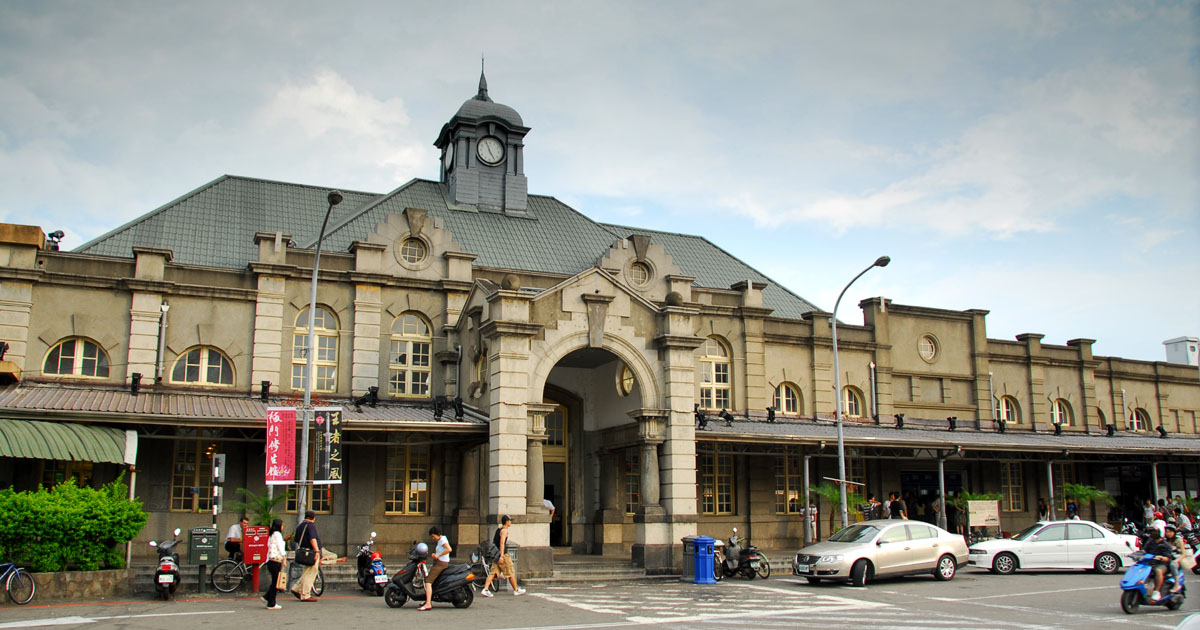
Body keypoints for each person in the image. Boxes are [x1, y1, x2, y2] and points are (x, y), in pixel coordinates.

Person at [480, 515, 525, 597]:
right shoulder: (504, 531)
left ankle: (485, 589)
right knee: (510, 572)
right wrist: (502, 556)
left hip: (496, 554)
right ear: (507, 522)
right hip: (503, 554)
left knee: (493, 573)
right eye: (510, 520)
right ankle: (516, 590)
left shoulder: (498, 529)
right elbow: (502, 543)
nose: (511, 522)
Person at [418, 527, 452, 611]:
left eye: (433, 536)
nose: (433, 538)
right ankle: (427, 600)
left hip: (441, 563)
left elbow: (449, 549)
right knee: (433, 581)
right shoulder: (441, 539)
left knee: (428, 581)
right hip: (439, 562)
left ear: (438, 534)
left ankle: (428, 603)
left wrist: (438, 555)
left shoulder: (442, 540)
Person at [291, 510, 321, 602]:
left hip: (303, 551)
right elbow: (313, 539)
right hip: (311, 552)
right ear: (314, 518)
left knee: (306, 571)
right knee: (311, 572)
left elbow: (296, 539)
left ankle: (296, 588)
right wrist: (317, 551)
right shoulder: (311, 526)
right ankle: (305, 594)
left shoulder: (300, 526)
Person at [1142, 526, 1176, 602]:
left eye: (1155, 532)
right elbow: (1144, 551)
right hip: (1150, 563)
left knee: (1158, 570)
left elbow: (1168, 558)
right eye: (1152, 531)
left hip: (1162, 564)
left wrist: (1161, 557)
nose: (1153, 533)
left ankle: (1156, 592)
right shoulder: (1150, 542)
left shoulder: (1165, 545)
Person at [263, 518, 286, 610]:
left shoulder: (271, 535)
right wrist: (284, 558)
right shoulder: (278, 535)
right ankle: (271, 602)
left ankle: (267, 597)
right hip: (276, 560)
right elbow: (281, 547)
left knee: (275, 581)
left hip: (270, 560)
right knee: (276, 582)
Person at [1165, 523, 1187, 593]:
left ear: (1174, 532)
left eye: (1170, 532)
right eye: (1167, 532)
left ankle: (1176, 584)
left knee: (1172, 564)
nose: (1168, 534)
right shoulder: (1165, 541)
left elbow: (1184, 554)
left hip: (1176, 560)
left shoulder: (1178, 540)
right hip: (1167, 559)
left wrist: (1177, 560)